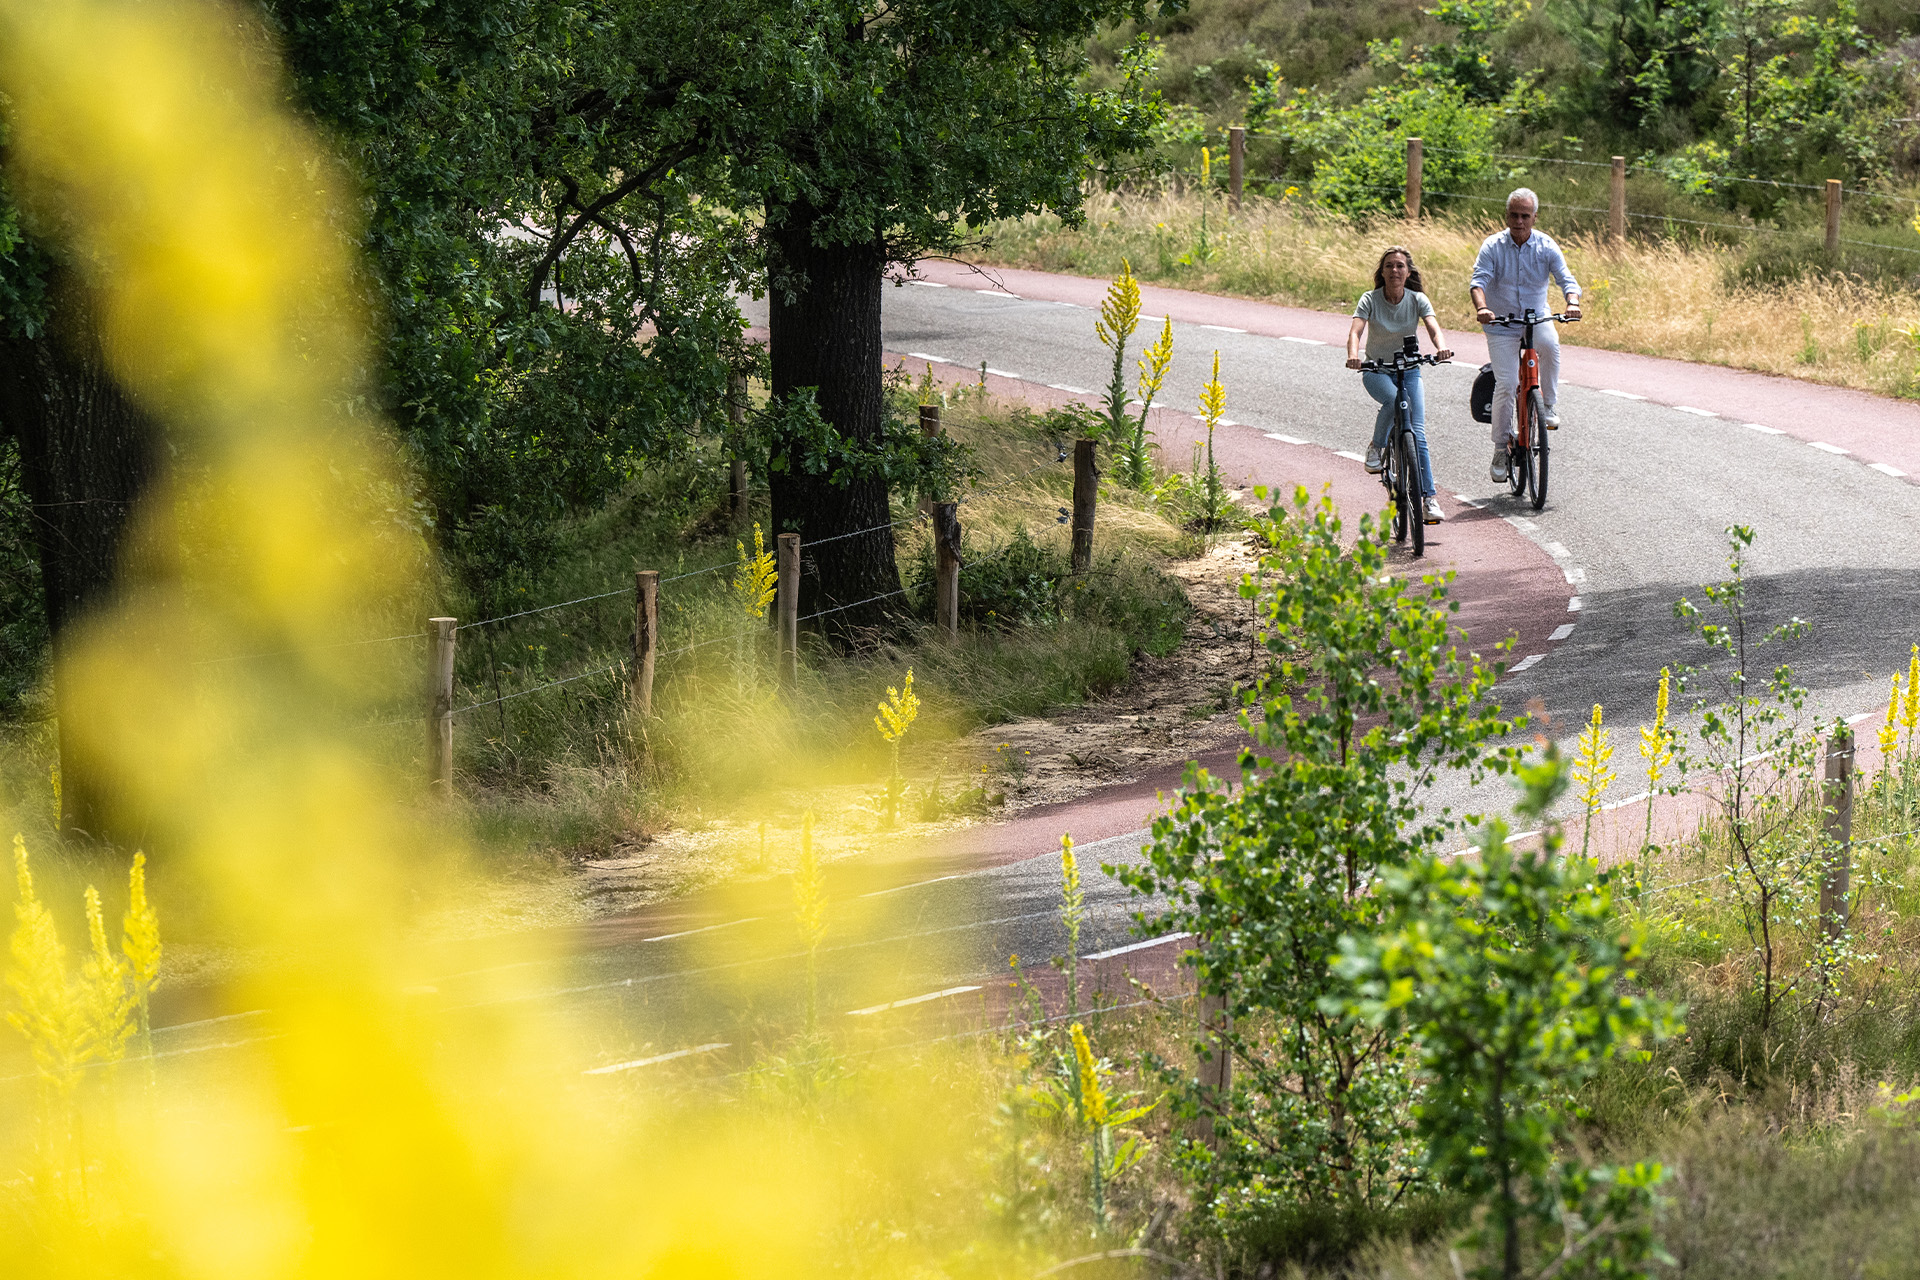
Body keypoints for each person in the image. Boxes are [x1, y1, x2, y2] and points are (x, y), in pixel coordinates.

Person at [1470, 188, 1582, 483]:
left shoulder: (1546, 246)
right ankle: (1499, 448)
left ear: (1534, 217)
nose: (1518, 221)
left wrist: (1572, 302)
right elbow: (1478, 281)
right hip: (1501, 323)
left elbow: (1566, 279)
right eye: (1513, 215)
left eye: (1525, 216)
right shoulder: (1492, 246)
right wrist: (1482, 308)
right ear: (1506, 216)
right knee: (1506, 384)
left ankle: (1548, 405)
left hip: (1536, 318)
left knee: (1551, 346)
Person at [1345, 244, 1454, 524]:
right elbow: (1355, 331)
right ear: (1382, 272)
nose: (1395, 270)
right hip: (1376, 371)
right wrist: (1353, 356)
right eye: (1389, 265)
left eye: (1400, 266)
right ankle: (1377, 446)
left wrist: (1441, 348)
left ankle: (1429, 499)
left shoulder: (1418, 299)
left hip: (1409, 370)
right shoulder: (1369, 299)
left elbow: (1433, 327)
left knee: (1417, 433)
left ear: (1408, 272)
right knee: (1393, 402)